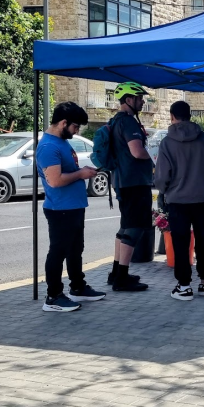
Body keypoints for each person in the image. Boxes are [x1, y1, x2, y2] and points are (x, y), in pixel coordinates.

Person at [36, 102, 105, 312]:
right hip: (60, 208)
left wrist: (82, 171)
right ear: (63, 123)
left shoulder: (61, 142)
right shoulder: (49, 147)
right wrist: (81, 174)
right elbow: (55, 180)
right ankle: (53, 296)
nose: (77, 131)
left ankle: (77, 286)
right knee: (58, 252)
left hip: (72, 206)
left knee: (75, 250)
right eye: (75, 126)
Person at [155, 101, 204, 301]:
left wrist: (166, 189)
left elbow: (162, 177)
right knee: (202, 240)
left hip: (177, 200)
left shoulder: (167, 143)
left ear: (172, 116)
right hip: (202, 198)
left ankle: (184, 286)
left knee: (180, 242)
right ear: (190, 115)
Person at [109, 82, 153, 292]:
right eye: (139, 98)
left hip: (122, 181)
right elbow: (137, 151)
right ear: (128, 99)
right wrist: (155, 157)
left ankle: (117, 273)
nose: (142, 101)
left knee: (125, 227)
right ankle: (122, 278)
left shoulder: (116, 120)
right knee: (134, 228)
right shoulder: (128, 122)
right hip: (134, 182)